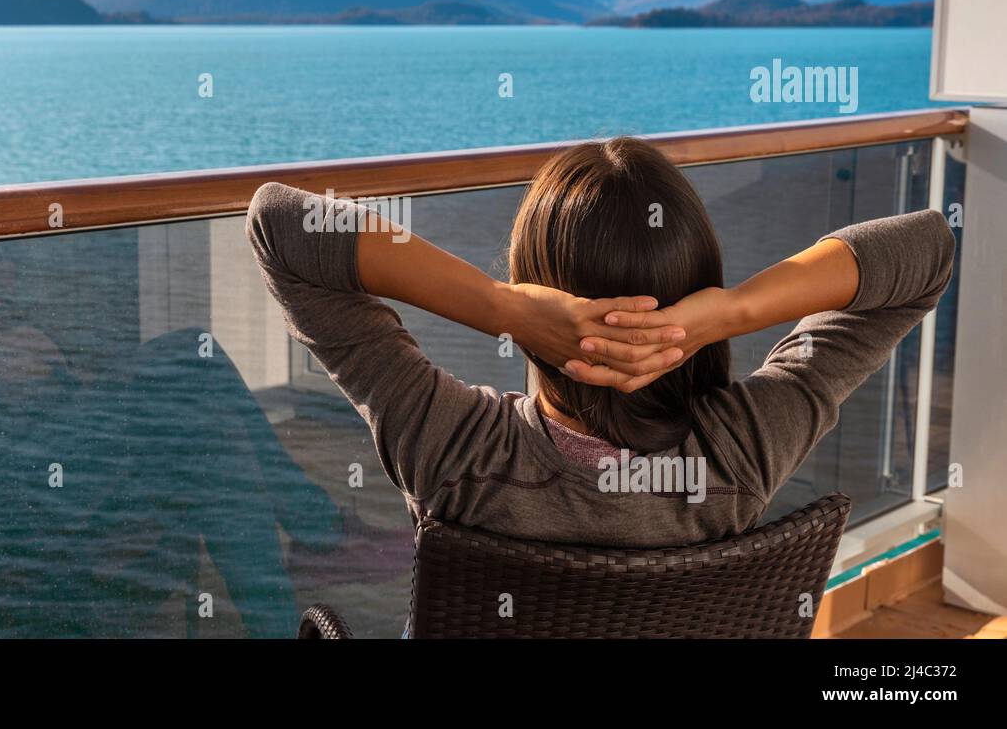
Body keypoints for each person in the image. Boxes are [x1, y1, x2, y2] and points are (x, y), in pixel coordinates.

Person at [246, 136, 954, 548]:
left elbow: (279, 224)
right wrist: (730, 311)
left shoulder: (453, 448)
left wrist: (501, 307)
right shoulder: (743, 450)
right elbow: (926, 252)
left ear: (540, 291)